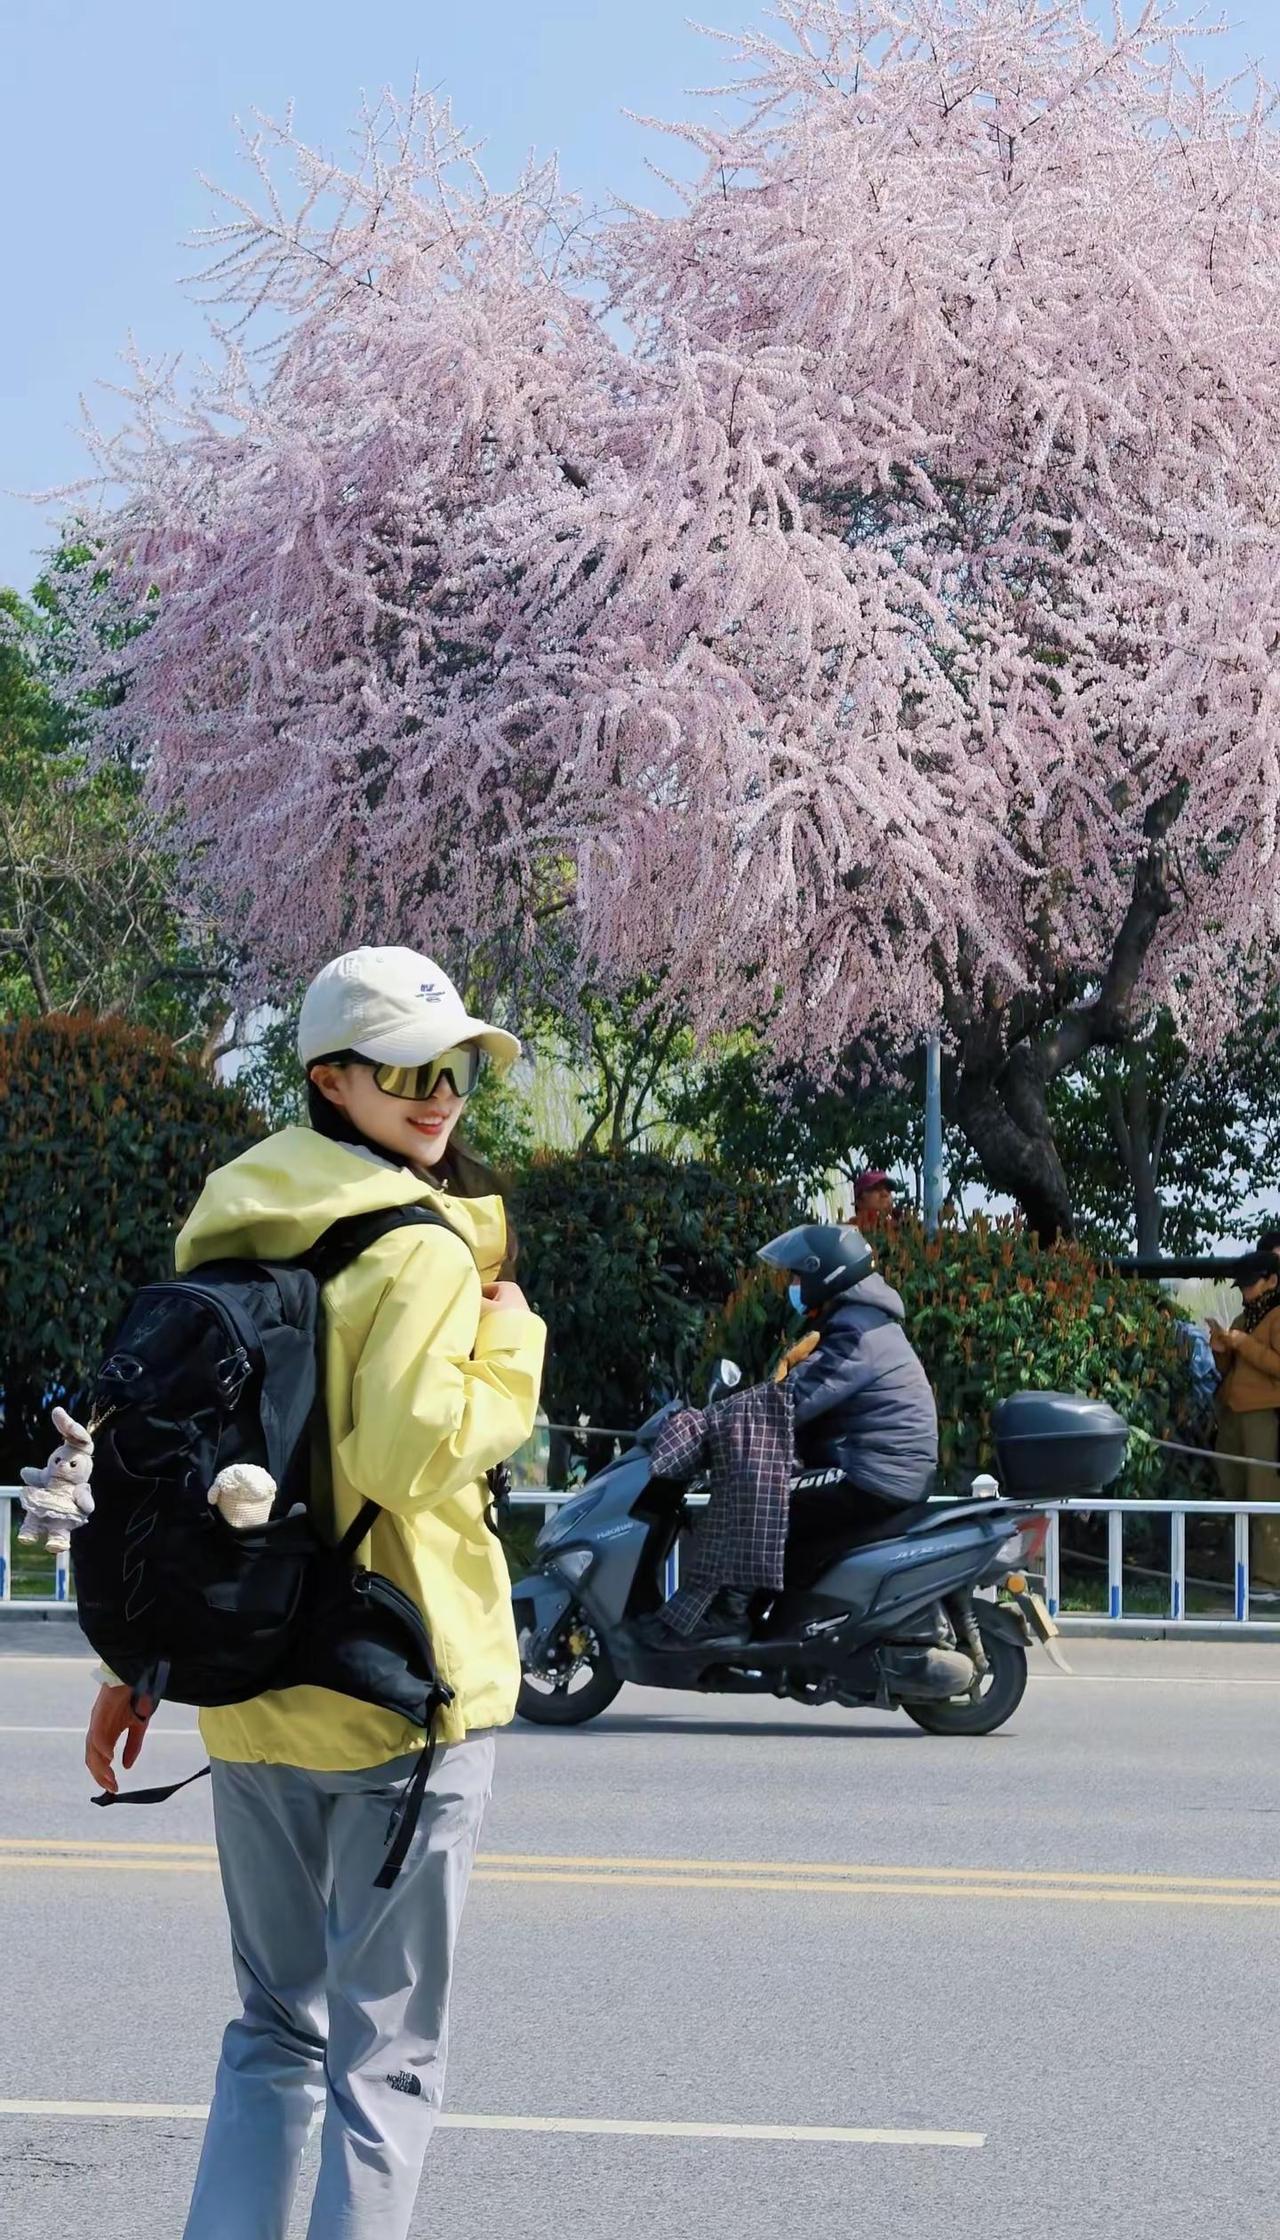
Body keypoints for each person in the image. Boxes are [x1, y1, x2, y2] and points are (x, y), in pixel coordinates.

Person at [82, 946, 547, 2240]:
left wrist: (141, 1666)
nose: (438, 1092)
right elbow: (407, 1457)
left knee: (270, 2030)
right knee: (385, 2061)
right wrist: (512, 1350)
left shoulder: (228, 1231)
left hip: (248, 1689)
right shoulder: (423, 1252)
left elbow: (185, 1475)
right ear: (329, 1078)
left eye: (453, 1067)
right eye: (405, 1067)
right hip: (403, 1696)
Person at [760, 1223, 939, 1574]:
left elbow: (793, 1402)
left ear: (824, 1276)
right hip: (884, 1470)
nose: (792, 1287)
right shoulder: (861, 1322)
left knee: (761, 1509)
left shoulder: (855, 1331)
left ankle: (730, 1618)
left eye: (797, 1278)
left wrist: (720, 1424)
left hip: (874, 1475)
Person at [1209, 1250, 1280, 1592]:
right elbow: (1230, 1372)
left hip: (1265, 1417)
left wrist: (1245, 1344)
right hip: (1234, 1415)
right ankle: (1246, 1570)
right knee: (1237, 1493)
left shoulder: (1277, 1317)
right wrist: (1221, 1350)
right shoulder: (1242, 1320)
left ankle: (1269, 1578)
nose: (1245, 1292)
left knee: (1264, 1495)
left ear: (1272, 1281)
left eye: (1251, 1285)